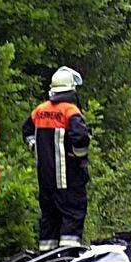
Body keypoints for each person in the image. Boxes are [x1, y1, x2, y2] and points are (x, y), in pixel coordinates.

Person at [22, 66, 90, 251]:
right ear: (71, 90)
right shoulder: (70, 111)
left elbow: (26, 130)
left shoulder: (40, 110)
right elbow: (81, 138)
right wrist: (79, 156)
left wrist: (35, 146)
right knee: (73, 216)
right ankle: (67, 259)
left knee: (49, 220)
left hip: (45, 180)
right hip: (69, 179)